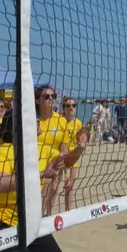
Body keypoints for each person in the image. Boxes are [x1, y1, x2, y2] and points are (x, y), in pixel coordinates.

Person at [0, 108, 89, 252]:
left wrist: (80, 148)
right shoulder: (7, 149)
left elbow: (66, 160)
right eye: (32, 118)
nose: (37, 121)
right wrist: (41, 174)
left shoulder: (42, 149)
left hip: (29, 221)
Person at [35, 86, 72, 217]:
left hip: (54, 165)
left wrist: (65, 171)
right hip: (34, 166)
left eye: (53, 96)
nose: (51, 99)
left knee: (51, 194)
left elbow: (64, 149)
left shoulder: (61, 121)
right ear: (38, 101)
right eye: (46, 96)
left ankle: (47, 221)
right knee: (40, 197)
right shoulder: (32, 121)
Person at [62, 97, 84, 212]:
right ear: (64, 108)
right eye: (68, 106)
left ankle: (68, 212)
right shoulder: (61, 122)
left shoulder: (78, 123)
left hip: (73, 157)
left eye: (73, 105)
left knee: (70, 187)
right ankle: (48, 214)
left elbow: (80, 141)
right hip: (62, 157)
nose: (71, 108)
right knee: (55, 187)